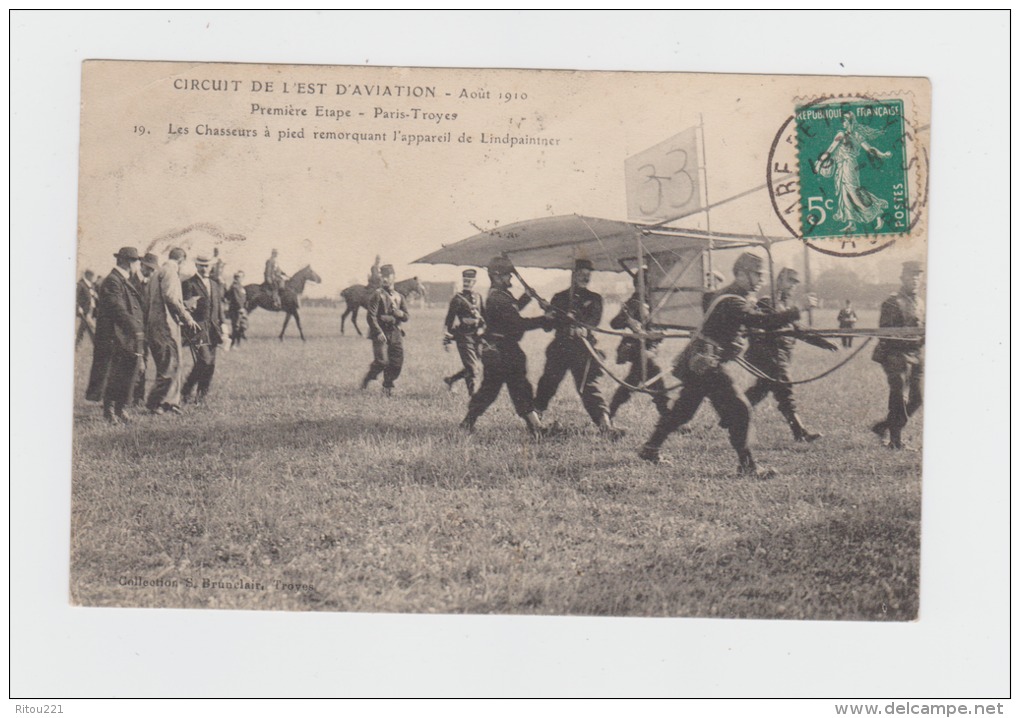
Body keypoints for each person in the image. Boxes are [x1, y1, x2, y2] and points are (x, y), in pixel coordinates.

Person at [638, 252, 817, 478]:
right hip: (707, 363)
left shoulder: (723, 295)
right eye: (757, 274)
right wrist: (797, 309)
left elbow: (752, 318)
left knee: (683, 411)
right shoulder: (732, 300)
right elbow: (762, 321)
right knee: (740, 410)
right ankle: (748, 467)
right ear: (741, 274)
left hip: (699, 362)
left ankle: (650, 449)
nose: (761, 280)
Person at [459, 256, 554, 437]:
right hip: (502, 350)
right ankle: (536, 427)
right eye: (507, 276)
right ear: (496, 277)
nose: (510, 279)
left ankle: (535, 427)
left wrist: (527, 297)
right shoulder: (497, 297)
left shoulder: (500, 295)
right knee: (505, 388)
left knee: (511, 387)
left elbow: (513, 308)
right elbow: (516, 323)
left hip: (502, 349)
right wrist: (544, 320)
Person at [743, 267, 838, 443]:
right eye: (790, 281)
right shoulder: (766, 302)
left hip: (780, 356)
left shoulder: (785, 305)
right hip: (770, 356)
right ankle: (799, 431)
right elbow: (766, 324)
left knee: (759, 392)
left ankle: (728, 415)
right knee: (785, 391)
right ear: (779, 281)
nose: (793, 285)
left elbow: (798, 330)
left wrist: (822, 342)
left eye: (796, 282)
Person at [534, 258, 621, 437]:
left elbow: (593, 322)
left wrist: (580, 325)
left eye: (588, 275)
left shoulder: (595, 299)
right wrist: (548, 315)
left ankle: (606, 426)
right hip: (560, 347)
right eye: (581, 274)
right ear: (573, 275)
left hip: (583, 348)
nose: (585, 278)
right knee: (548, 384)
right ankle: (535, 421)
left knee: (589, 387)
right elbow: (548, 327)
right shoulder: (559, 297)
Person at [84, 246, 146, 424]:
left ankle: (120, 409)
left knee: (126, 372)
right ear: (127, 262)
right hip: (114, 336)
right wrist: (135, 327)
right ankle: (110, 411)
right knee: (113, 374)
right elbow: (117, 308)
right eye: (136, 261)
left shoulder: (124, 280)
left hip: (124, 335)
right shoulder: (113, 280)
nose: (138, 265)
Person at [870, 261, 925, 450]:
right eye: (911, 276)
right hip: (894, 354)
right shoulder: (893, 301)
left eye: (918, 276)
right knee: (899, 394)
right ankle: (895, 440)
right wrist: (902, 336)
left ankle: (884, 426)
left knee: (917, 399)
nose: (915, 280)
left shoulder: (920, 302)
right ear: (903, 278)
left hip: (916, 354)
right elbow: (885, 331)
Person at [814, 112, 893, 233]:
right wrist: (819, 163)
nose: (843, 123)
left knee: (854, 193)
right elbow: (831, 149)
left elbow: (869, 149)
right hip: (841, 166)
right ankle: (851, 223)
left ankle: (877, 213)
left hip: (850, 166)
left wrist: (882, 154)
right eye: (843, 121)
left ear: (850, 122)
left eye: (845, 121)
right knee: (844, 194)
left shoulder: (857, 135)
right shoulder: (841, 134)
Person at [607, 267, 670, 420]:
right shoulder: (633, 303)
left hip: (649, 348)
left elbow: (663, 326)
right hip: (635, 348)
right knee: (653, 374)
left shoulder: (655, 302)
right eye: (645, 284)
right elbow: (614, 323)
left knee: (632, 381)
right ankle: (668, 416)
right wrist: (629, 320)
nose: (648, 287)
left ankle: (609, 412)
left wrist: (660, 332)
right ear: (637, 285)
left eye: (650, 284)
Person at [145, 248, 198, 415]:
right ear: (182, 260)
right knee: (170, 365)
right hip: (166, 326)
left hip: (156, 325)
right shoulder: (170, 273)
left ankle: (170, 402)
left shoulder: (157, 273)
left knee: (172, 363)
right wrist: (187, 317)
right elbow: (171, 297)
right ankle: (155, 403)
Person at [182, 254, 226, 404]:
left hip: (214, 329)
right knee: (204, 361)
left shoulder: (215, 284)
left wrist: (224, 325)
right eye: (202, 265)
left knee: (211, 364)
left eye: (207, 265)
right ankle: (186, 390)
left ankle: (201, 397)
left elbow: (219, 307)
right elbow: (185, 308)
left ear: (211, 266)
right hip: (198, 330)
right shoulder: (189, 284)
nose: (205, 268)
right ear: (196, 266)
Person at [360, 264, 408, 396]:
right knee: (381, 362)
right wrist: (378, 332)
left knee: (397, 362)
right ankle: (369, 377)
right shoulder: (377, 295)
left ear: (394, 277)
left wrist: (401, 314)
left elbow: (406, 316)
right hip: (380, 333)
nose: (385, 279)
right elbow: (371, 316)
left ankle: (388, 383)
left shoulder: (399, 297)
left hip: (395, 332)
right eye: (383, 276)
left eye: (388, 276)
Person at [443, 268, 485, 396]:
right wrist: (447, 341)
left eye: (470, 280)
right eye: (465, 280)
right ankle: (473, 394)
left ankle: (452, 380)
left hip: (477, 336)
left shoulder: (478, 297)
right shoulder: (457, 299)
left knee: (471, 366)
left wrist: (483, 328)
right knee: (473, 368)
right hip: (463, 336)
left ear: (474, 281)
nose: (467, 283)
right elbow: (449, 321)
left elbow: (484, 316)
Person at [130, 252, 160, 406]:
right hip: (134, 329)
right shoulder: (132, 281)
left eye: (153, 269)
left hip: (147, 330)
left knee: (144, 361)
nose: (152, 271)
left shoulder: (150, 283)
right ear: (142, 265)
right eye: (149, 268)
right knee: (135, 361)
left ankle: (138, 397)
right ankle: (130, 396)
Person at [75, 269, 98, 348]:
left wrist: (94, 295)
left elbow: (92, 295)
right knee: (91, 326)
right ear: (88, 276)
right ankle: (94, 342)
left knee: (84, 327)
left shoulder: (91, 285)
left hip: (91, 309)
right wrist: (78, 307)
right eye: (92, 276)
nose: (93, 278)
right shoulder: (81, 284)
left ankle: (77, 342)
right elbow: (75, 298)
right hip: (85, 310)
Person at [226, 271, 248, 348]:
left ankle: (236, 343)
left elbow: (243, 298)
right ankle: (233, 344)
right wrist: (241, 308)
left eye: (241, 277)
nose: (240, 278)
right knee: (236, 327)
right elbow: (236, 298)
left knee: (242, 326)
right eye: (238, 277)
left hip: (241, 309)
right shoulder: (235, 286)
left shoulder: (240, 286)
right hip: (236, 310)